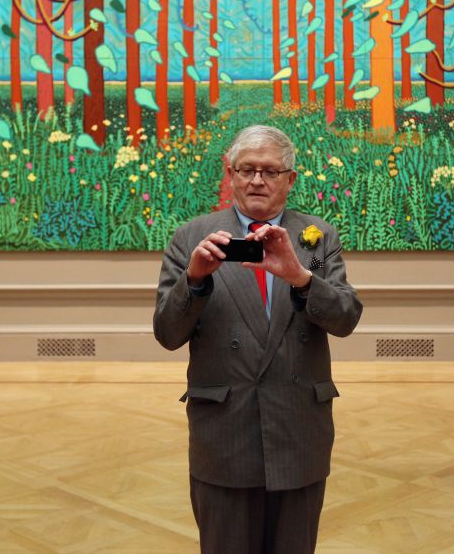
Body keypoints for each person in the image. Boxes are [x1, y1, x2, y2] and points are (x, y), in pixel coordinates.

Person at [154, 124, 363, 554]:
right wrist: (194, 280)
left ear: (290, 179)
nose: (256, 181)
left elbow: (345, 319)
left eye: (269, 171)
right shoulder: (193, 239)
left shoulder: (317, 240)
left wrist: (302, 278)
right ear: (229, 175)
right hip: (225, 434)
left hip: (298, 430)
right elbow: (167, 334)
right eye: (246, 170)